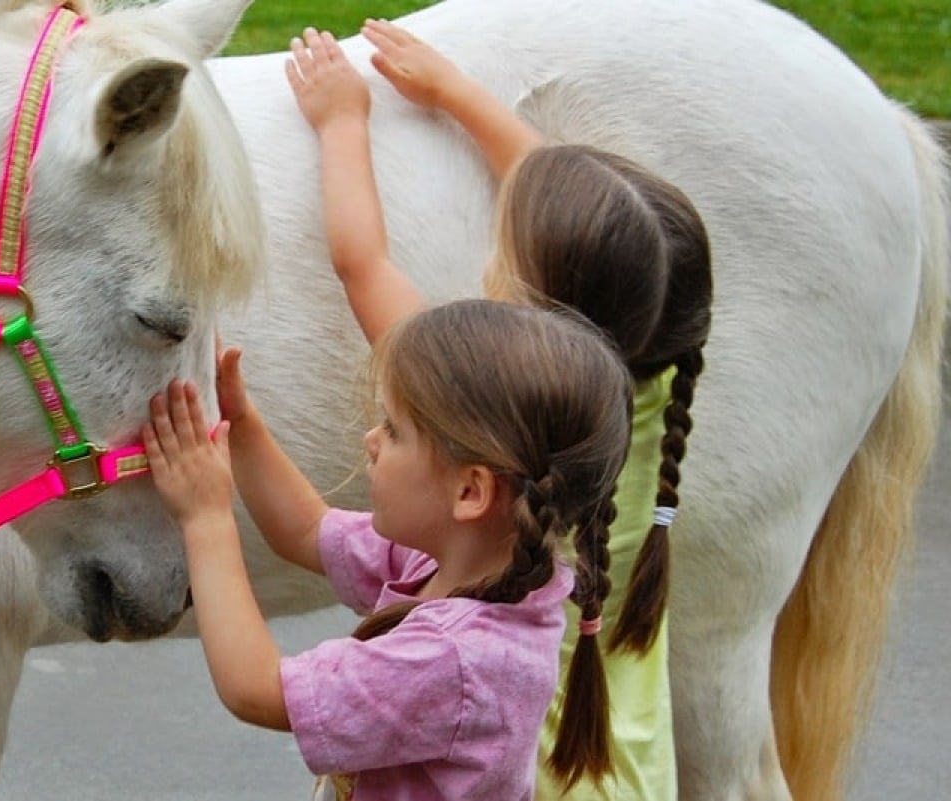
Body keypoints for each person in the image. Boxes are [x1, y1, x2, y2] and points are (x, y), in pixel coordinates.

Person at [285, 21, 713, 798]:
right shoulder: (648, 376)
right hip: (631, 770)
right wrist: (459, 94)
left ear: (535, 304)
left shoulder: (496, 397)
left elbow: (362, 261)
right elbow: (592, 231)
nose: (489, 257)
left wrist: (341, 121)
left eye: (500, 251)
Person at [142, 299, 633, 800]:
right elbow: (308, 530)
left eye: (395, 430)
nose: (371, 439)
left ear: (470, 491)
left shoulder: (455, 661)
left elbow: (257, 690)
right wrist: (240, 423)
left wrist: (205, 518)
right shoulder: (469, 566)